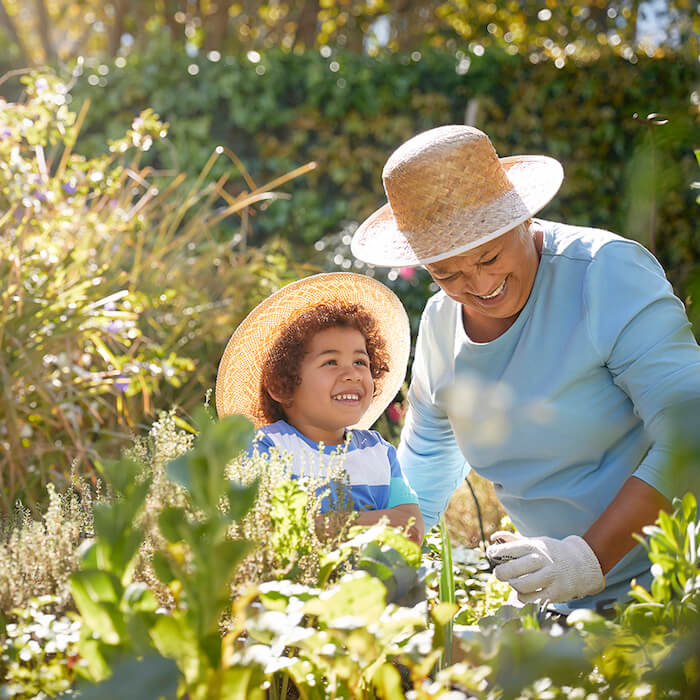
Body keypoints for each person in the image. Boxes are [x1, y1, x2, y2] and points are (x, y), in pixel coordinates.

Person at [350, 124, 700, 611]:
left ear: (521, 216)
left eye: (489, 256)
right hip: (560, 601)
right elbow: (428, 460)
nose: (479, 283)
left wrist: (584, 560)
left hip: (676, 585)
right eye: (446, 273)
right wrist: (380, 564)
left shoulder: (604, 275)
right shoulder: (439, 324)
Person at [215, 272, 425, 545]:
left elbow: (412, 527)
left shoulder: (379, 452)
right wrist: (378, 523)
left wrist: (327, 524)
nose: (352, 374)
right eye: (330, 363)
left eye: (361, 362)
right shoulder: (267, 449)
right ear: (282, 385)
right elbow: (270, 529)